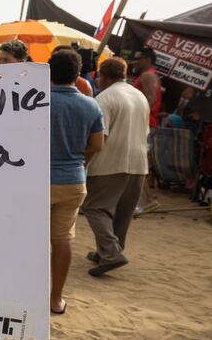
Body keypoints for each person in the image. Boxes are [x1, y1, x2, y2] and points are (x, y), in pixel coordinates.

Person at [81, 57, 150, 277]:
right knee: (123, 212)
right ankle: (108, 251)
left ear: (104, 76)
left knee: (95, 208)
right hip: (138, 163)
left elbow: (100, 136)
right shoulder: (139, 96)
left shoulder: (105, 98)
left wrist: (85, 160)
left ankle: (111, 253)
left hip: (111, 162)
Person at [48, 48, 104, 315]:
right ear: (78, 74)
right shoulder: (91, 105)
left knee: (29, 240)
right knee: (61, 240)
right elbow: (97, 144)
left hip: (37, 181)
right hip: (72, 180)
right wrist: (81, 161)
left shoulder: (37, 101)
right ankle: (56, 299)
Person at [129, 48, 162, 212]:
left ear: (148, 59)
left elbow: (151, 99)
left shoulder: (148, 75)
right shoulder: (147, 75)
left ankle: (147, 200)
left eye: (138, 58)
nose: (135, 62)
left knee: (139, 162)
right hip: (144, 123)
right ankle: (146, 199)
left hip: (145, 124)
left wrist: (136, 121)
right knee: (137, 162)